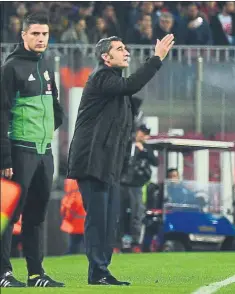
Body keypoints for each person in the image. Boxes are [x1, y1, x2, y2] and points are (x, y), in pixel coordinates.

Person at [67, 34, 174, 286]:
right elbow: (132, 85)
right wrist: (156, 58)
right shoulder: (102, 78)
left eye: (126, 48)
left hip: (109, 164)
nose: (126, 52)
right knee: (98, 218)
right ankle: (97, 271)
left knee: (110, 219)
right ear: (106, 57)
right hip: (92, 161)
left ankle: (102, 270)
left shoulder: (115, 85)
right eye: (119, 49)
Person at [0, 12, 64, 287]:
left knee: (37, 214)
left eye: (45, 34)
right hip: (19, 151)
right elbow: (1, 114)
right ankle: (3, 272)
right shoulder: (10, 67)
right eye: (35, 33)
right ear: (23, 35)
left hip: (43, 152)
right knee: (7, 216)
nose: (40, 38)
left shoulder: (47, 65)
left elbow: (55, 105)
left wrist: (50, 127)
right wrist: (4, 156)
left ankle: (36, 273)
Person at [120, 124, 159, 252]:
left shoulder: (147, 148)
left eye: (145, 133)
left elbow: (155, 162)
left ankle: (135, 243)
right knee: (120, 214)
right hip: (122, 184)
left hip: (137, 185)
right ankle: (118, 242)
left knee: (136, 214)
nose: (142, 135)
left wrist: (143, 151)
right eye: (141, 132)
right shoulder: (126, 145)